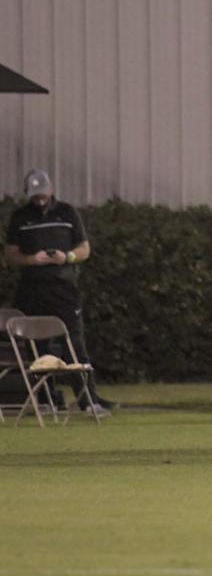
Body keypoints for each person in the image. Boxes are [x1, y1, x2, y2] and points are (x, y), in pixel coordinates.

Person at [4, 169, 109, 415]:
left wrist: (67, 257)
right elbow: (11, 253)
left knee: (74, 344)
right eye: (35, 196)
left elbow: (84, 248)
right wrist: (32, 260)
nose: (40, 199)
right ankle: (48, 400)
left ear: (51, 190)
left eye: (43, 194)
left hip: (64, 289)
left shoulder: (67, 213)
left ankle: (87, 401)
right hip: (32, 291)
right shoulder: (20, 218)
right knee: (38, 350)